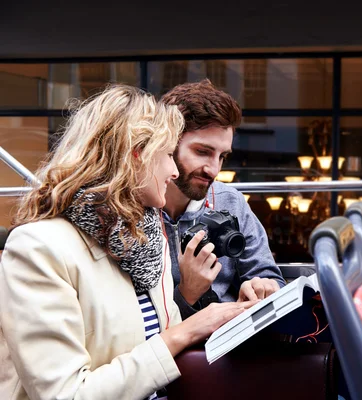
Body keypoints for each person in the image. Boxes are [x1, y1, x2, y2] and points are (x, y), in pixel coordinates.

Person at [0, 85, 255, 400]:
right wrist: (186, 331)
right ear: (137, 154)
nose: (174, 171)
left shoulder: (147, 239)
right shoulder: (38, 248)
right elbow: (65, 395)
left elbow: (163, 361)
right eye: (166, 155)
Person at [160, 80, 285, 319]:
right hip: (170, 350)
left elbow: (270, 275)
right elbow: (137, 324)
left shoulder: (231, 202)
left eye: (222, 156)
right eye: (203, 152)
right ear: (167, 143)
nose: (214, 170)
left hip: (232, 345)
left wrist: (263, 287)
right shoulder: (134, 209)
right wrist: (188, 294)